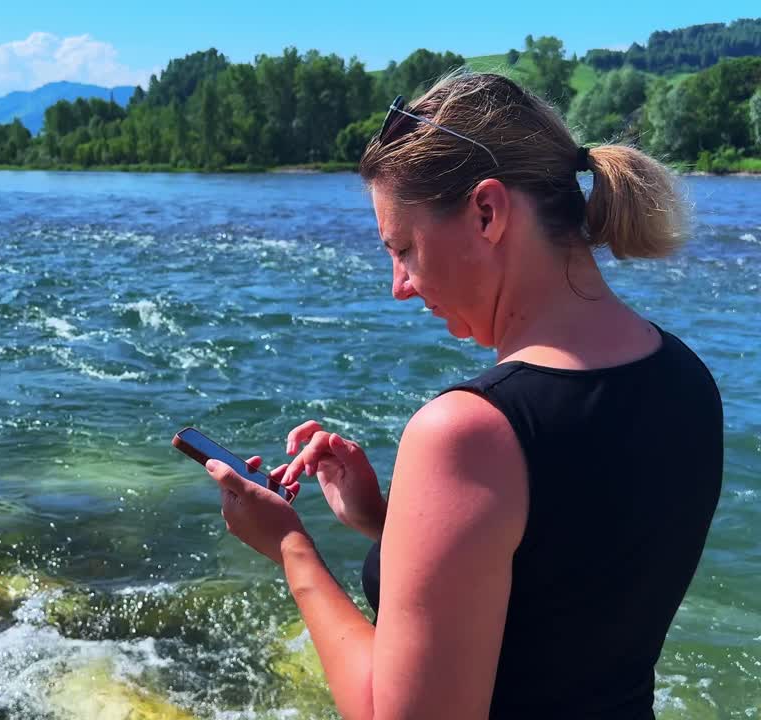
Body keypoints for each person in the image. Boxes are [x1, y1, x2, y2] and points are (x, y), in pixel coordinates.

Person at [203, 71, 722, 719]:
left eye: (403, 249)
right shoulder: (687, 378)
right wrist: (388, 522)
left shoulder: (469, 433)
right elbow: (565, 587)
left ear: (487, 212)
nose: (399, 285)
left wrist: (290, 546)